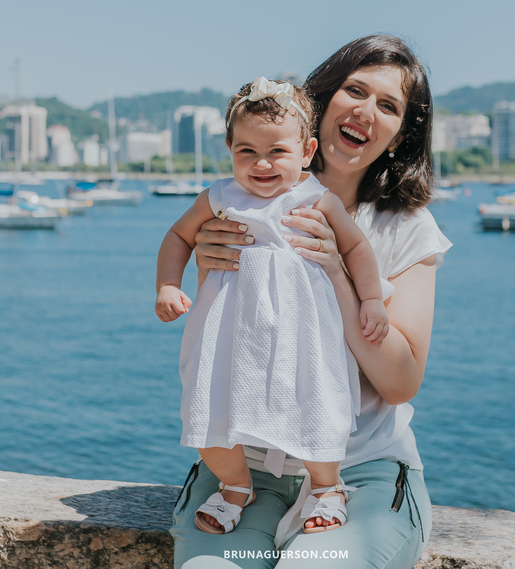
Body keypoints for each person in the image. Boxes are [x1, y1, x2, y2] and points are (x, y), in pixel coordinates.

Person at [168, 35, 452, 569]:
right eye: (355, 90)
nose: (367, 112)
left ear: (397, 136)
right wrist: (200, 265)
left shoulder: (407, 231)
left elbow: (400, 382)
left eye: (389, 106)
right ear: (318, 104)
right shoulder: (237, 202)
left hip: (360, 469)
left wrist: (339, 276)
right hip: (243, 469)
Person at [156, 76, 390, 537]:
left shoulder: (317, 199)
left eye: (277, 152)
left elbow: (358, 248)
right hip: (229, 331)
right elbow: (178, 236)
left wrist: (373, 301)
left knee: (313, 401)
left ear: (305, 151)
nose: (261, 164)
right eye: (247, 152)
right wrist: (168, 284)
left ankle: (326, 487)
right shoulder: (219, 197)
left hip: (303, 332)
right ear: (229, 148)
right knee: (209, 406)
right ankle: (235, 485)